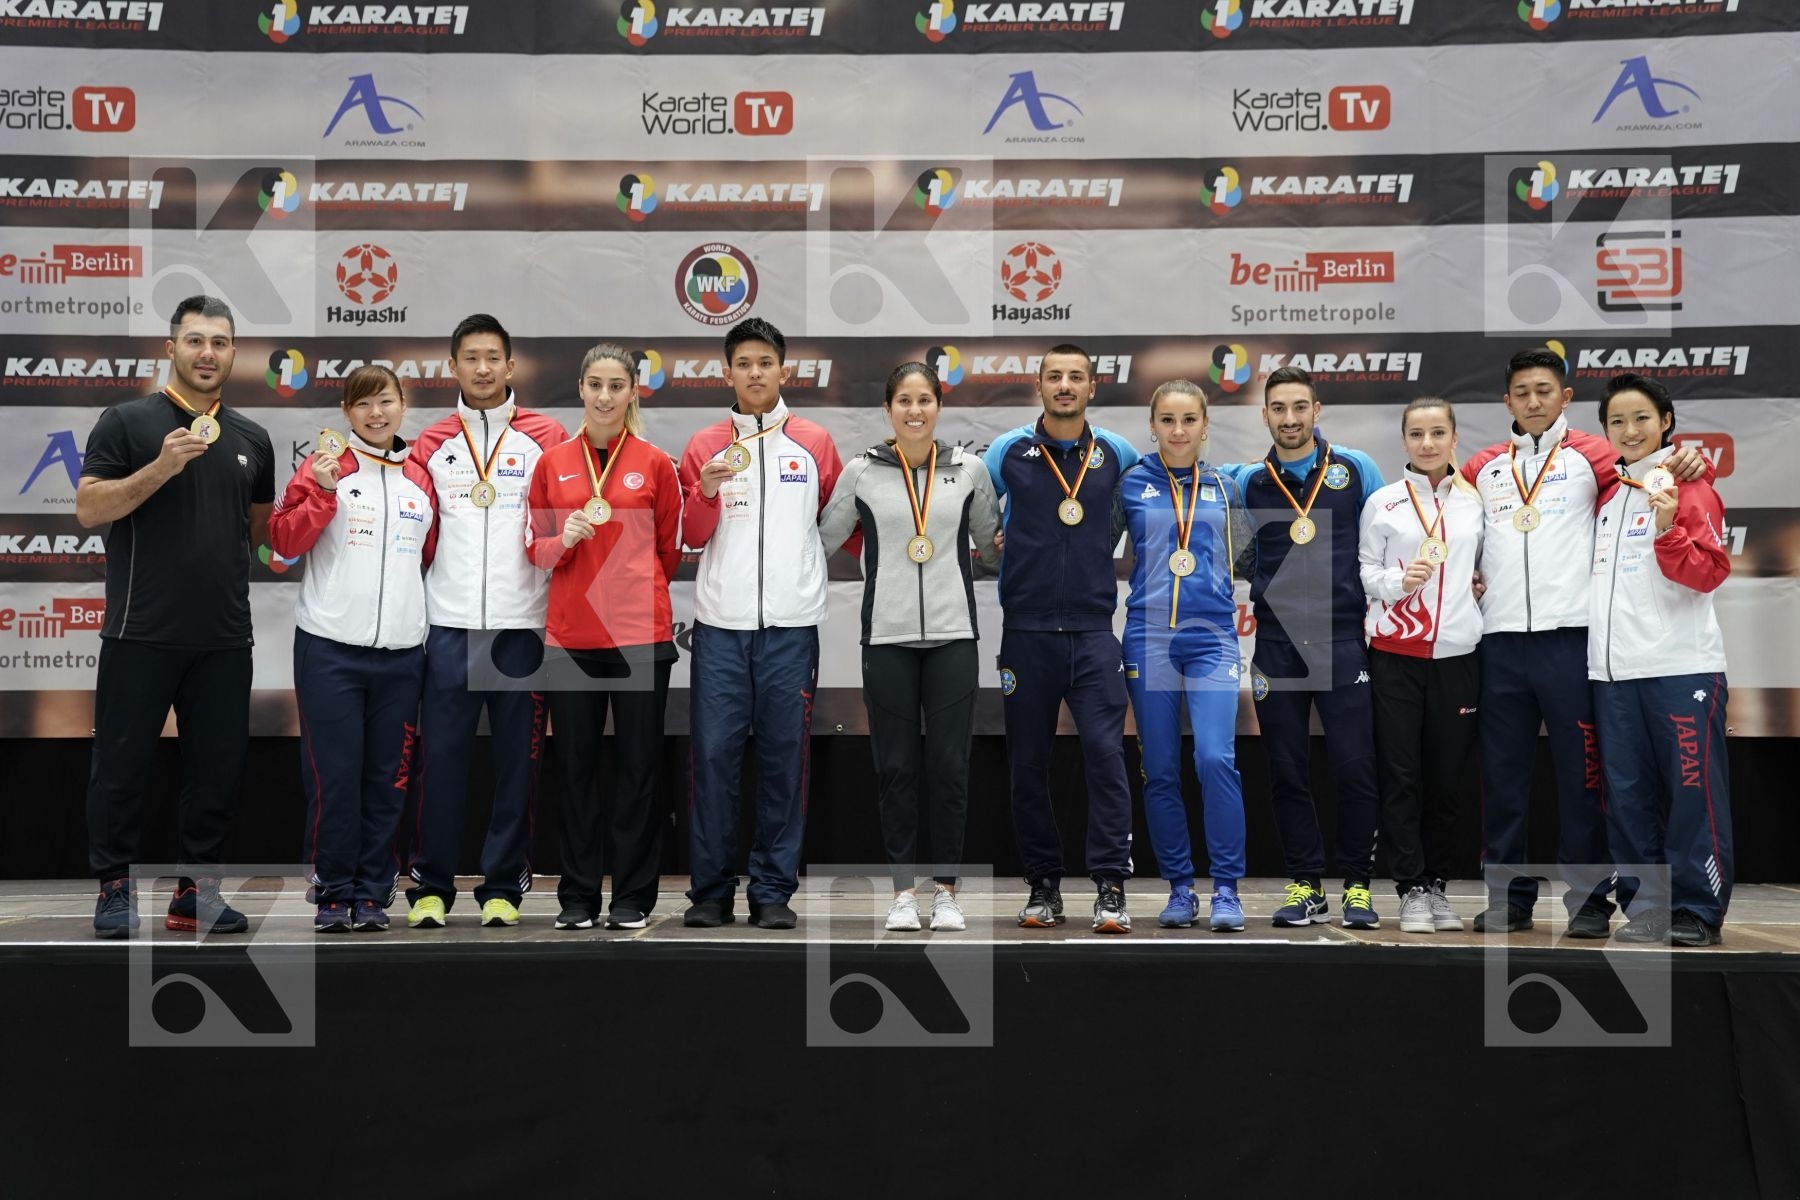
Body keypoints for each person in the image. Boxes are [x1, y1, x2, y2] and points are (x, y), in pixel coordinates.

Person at [1461, 348, 1707, 935]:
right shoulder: (1484, 468)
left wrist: (1695, 461)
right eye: (1522, 392)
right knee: (1503, 775)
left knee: (1584, 777)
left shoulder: (1595, 455)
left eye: (1544, 390)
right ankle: (1507, 897)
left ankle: (1590, 901)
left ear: (1565, 397)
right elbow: (1438, 504)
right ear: (1507, 402)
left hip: (1571, 641)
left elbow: (1657, 465)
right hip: (1499, 643)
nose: (1534, 401)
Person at [77, 295, 275, 939]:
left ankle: (198, 893)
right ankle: (113, 890)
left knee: (216, 773)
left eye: (219, 342)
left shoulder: (253, 438)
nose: (207, 353)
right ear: (171, 349)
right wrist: (161, 466)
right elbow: (89, 509)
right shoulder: (127, 422)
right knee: (121, 766)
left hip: (222, 637)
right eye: (195, 341)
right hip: (140, 632)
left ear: (233, 352)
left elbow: (259, 537)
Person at [818, 362, 1001, 933]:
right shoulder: (861, 474)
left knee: (949, 768)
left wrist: (1004, 543)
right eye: (904, 401)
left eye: (925, 400)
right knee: (895, 768)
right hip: (887, 640)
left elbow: (990, 551)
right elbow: (820, 541)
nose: (915, 411)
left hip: (952, 638)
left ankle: (945, 890)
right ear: (888, 409)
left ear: (939, 407)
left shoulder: (969, 470)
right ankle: (902, 893)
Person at [679, 317, 844, 930]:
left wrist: (803, 571)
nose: (754, 373)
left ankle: (773, 889)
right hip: (721, 628)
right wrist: (706, 493)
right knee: (715, 758)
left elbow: (836, 522)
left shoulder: (815, 441)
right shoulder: (704, 444)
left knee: (783, 760)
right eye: (743, 363)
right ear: (727, 372)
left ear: (783, 371)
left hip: (791, 627)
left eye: (765, 363)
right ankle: (711, 890)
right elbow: (692, 538)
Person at [405, 314, 568, 928]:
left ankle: (504, 884)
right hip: (445, 625)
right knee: (439, 760)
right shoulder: (431, 441)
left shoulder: (545, 435)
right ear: (452, 367)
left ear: (510, 365)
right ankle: (431, 885)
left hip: (520, 628)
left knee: (515, 765)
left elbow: (558, 529)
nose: (481, 368)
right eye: (469, 358)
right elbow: (417, 537)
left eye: (492, 357)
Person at [270, 365, 437, 933]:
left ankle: (372, 892)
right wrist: (318, 490)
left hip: (402, 655)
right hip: (330, 651)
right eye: (363, 404)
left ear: (402, 403)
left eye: (385, 401)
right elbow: (282, 545)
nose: (376, 413)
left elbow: (431, 556)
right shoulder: (326, 467)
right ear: (347, 411)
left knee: (387, 780)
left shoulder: (422, 475)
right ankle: (333, 891)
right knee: (335, 780)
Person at [1219, 366, 1386, 929]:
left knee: (1355, 768)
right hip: (1278, 645)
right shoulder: (1248, 481)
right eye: (1278, 409)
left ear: (1317, 411)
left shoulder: (1356, 469)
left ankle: (1358, 885)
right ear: (1264, 415)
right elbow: (1242, 557)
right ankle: (1306, 883)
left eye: (1300, 407)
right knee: (1287, 769)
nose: (1289, 419)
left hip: (1342, 640)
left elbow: (1386, 542)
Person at [985, 344, 1140, 933]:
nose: (1066, 386)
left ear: (1092, 387)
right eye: (1055, 377)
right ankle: (1043, 885)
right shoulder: (1009, 450)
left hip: (1095, 631)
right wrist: (991, 539)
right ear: (1040, 385)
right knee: (1028, 763)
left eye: (1076, 377)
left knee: (1105, 758)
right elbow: (975, 507)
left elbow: (1131, 513)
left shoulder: (1116, 452)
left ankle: (1110, 888)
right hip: (1026, 634)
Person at [526, 345, 682, 931]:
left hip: (638, 634)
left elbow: (668, 551)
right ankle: (578, 895)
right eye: (595, 384)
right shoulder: (553, 462)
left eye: (617, 385)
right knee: (576, 768)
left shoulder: (656, 463)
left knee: (640, 770)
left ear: (633, 392)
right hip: (571, 636)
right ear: (581, 388)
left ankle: (634, 895)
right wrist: (562, 539)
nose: (605, 396)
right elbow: (535, 550)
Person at [1589, 373, 1732, 946]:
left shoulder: (1692, 486)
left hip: (1680, 669)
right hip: (1612, 673)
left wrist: (1670, 525)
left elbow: (1707, 575)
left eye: (1641, 418)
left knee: (1692, 795)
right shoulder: (1607, 491)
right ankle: (1647, 907)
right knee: (1627, 797)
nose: (1630, 430)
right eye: (1617, 421)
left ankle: (1697, 909)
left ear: (1666, 422)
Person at [1113, 380, 1255, 932]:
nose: (1178, 431)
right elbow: (1089, 545)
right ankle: (1179, 887)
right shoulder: (1130, 484)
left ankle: (1225, 889)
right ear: (1152, 425)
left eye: (1189, 420)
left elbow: (1252, 552)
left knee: (1216, 758)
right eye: (1167, 420)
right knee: (1162, 769)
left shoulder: (1225, 486)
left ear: (1205, 424)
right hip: (1148, 636)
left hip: (1212, 635)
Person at [1357, 398, 1483, 934]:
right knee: (1402, 775)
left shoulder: (1476, 503)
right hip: (1395, 657)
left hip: (1457, 655)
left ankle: (1437, 886)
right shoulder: (1383, 501)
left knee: (1447, 779)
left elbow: (1486, 569)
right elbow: (1364, 570)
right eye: (1416, 434)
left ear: (1455, 437)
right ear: (1404, 440)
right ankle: (1409, 888)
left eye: (1437, 433)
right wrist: (1395, 584)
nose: (1427, 443)